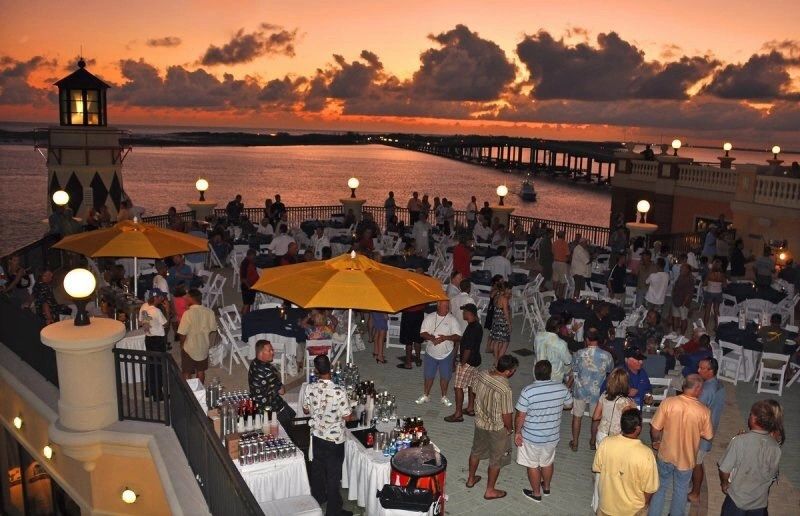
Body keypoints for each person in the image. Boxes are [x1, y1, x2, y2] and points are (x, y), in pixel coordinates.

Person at [648, 374, 713, 516]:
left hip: (666, 454)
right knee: (681, 490)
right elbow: (708, 435)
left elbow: (655, 428)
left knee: (660, 487)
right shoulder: (704, 411)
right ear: (697, 388)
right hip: (686, 459)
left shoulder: (668, 403)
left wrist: (656, 441)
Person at [515, 360, 574, 502]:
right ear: (550, 372)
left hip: (531, 437)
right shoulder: (561, 388)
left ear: (535, 372)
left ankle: (536, 494)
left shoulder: (528, 391)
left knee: (533, 465)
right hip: (552, 436)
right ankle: (546, 488)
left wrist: (517, 432)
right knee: (547, 462)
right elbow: (569, 405)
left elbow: (520, 415)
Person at [303, 355, 353, 516]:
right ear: (330, 368)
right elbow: (347, 417)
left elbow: (305, 410)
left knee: (317, 471)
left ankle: (317, 499)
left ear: (316, 370)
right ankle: (333, 511)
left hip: (317, 437)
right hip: (334, 441)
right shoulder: (339, 391)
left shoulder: (309, 388)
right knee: (333, 476)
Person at [717, 399, 783, 516]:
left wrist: (724, 483)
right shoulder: (775, 447)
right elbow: (772, 474)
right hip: (759, 503)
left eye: (751, 414)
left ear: (754, 419)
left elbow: (724, 469)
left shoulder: (740, 441)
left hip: (737, 500)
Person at [465, 354, 518, 500]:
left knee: (475, 451)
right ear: (508, 372)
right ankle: (490, 490)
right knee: (496, 460)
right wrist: (510, 428)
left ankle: (470, 479)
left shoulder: (482, 374)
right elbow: (506, 414)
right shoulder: (505, 389)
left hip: (480, 422)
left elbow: (473, 391)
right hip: (497, 428)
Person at [592, 408, 659, 516]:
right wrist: (644, 506)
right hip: (632, 511)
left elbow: (597, 468)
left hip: (606, 507)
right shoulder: (646, 454)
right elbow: (650, 489)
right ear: (637, 429)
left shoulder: (605, 443)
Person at [688, 357, 725, 504]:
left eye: (701, 368)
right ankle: (694, 487)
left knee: (697, 463)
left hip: (702, 434)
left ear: (711, 371)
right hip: (709, 428)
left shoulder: (708, 389)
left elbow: (695, 410)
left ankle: (695, 493)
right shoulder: (718, 384)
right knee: (697, 461)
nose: (698, 370)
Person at [570, 328, 613, 452]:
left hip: (580, 390)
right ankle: (593, 442)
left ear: (587, 339)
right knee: (596, 418)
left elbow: (574, 370)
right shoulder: (607, 355)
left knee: (577, 417)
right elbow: (610, 370)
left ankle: (575, 443)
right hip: (597, 392)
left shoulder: (579, 353)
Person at [416, 300, 462, 407]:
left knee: (445, 377)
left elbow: (458, 336)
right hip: (430, 354)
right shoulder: (430, 317)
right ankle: (426, 395)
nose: (447, 309)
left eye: (448, 306)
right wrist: (432, 338)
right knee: (428, 376)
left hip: (446, 354)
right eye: (445, 306)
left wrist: (445, 338)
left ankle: (444, 396)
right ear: (438, 306)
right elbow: (422, 333)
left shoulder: (452, 319)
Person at [445, 303, 482, 423]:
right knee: (471, 384)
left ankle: (458, 414)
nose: (463, 313)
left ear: (469, 314)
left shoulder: (472, 328)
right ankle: (470, 408)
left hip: (468, 362)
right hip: (476, 361)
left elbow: (468, 348)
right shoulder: (477, 325)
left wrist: (462, 363)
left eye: (464, 312)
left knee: (458, 387)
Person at [177, 288, 218, 384]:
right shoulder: (209, 312)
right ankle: (199, 392)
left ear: (192, 298)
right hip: (203, 346)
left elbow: (182, 333)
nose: (185, 299)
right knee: (201, 371)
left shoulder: (187, 314)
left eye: (187, 297)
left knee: (186, 371)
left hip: (189, 347)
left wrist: (182, 345)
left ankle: (188, 394)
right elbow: (213, 329)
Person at [140, 289, 169, 399]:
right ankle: (158, 394)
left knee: (150, 365)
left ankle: (149, 390)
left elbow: (143, 322)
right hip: (158, 340)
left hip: (149, 338)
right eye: (161, 297)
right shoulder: (157, 311)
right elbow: (166, 325)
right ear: (156, 298)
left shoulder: (144, 307)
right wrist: (167, 309)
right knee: (159, 367)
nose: (163, 299)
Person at [248, 339, 286, 415]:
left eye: (272, 350)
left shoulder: (253, 363)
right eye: (269, 351)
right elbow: (282, 391)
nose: (272, 353)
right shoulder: (268, 371)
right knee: (289, 414)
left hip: (254, 402)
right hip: (267, 408)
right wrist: (277, 378)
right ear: (261, 353)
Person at [533, 316, 572, 384]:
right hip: (553, 378)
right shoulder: (561, 344)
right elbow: (568, 361)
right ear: (558, 329)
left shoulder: (538, 336)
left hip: (537, 373)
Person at [489, 281, 512, 363]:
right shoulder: (504, 299)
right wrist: (509, 324)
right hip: (502, 322)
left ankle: (496, 359)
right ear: (505, 289)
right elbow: (506, 312)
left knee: (496, 341)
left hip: (496, 321)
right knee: (505, 341)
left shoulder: (497, 296)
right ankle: (499, 360)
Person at [398, 303, 426, 369]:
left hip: (408, 312)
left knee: (408, 339)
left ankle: (408, 363)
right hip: (419, 312)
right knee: (417, 338)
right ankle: (418, 360)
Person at [671, 263, 694, 335]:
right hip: (676, 300)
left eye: (683, 268)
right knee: (675, 317)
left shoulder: (689, 279)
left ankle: (682, 335)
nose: (681, 269)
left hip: (683, 302)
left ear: (687, 270)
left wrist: (684, 303)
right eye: (681, 268)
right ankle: (674, 332)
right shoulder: (681, 276)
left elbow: (689, 293)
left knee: (683, 319)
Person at [239, 249, 259, 315]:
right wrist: (249, 287)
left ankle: (243, 313)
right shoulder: (245, 263)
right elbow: (243, 278)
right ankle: (244, 319)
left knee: (247, 303)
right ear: (249, 256)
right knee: (247, 304)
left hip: (250, 285)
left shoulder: (249, 262)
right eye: (253, 256)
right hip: (247, 286)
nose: (254, 258)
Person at [552, 230, 570, 298]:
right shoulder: (564, 243)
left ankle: (553, 295)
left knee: (555, 280)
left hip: (555, 262)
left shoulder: (554, 243)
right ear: (563, 236)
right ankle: (560, 296)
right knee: (562, 280)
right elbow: (567, 254)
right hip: (562, 263)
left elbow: (552, 252)